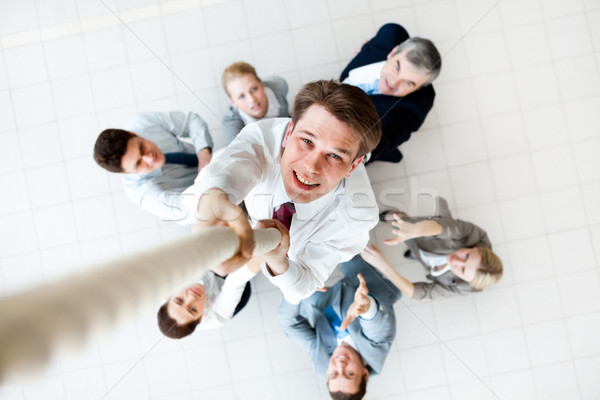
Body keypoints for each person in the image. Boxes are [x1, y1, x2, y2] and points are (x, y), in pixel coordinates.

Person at [184, 80, 382, 304]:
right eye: (307, 141)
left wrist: (279, 261)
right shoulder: (264, 137)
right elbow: (226, 171)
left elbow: (304, 286)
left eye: (335, 156)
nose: (311, 166)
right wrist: (213, 210)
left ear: (353, 166)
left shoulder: (357, 218)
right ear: (289, 133)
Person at [277, 256, 400, 399]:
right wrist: (365, 308)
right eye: (349, 373)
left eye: (334, 374)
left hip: (324, 302)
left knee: (297, 284)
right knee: (349, 250)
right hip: (362, 287)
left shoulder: (322, 365)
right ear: (365, 374)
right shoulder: (376, 352)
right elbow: (377, 326)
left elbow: (289, 325)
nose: (340, 365)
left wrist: (295, 294)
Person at [361, 197, 503, 299]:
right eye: (466, 256)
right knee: (407, 226)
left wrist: (384, 266)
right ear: (475, 248)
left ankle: (418, 254)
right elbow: (444, 228)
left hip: (429, 259)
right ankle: (403, 218)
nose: (456, 260)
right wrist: (415, 230)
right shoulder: (476, 236)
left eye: (463, 270)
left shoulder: (464, 287)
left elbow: (421, 292)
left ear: (468, 281)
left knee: (419, 253)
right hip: (431, 233)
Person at [340, 23, 441, 163]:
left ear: (418, 89)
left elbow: (386, 135)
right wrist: (367, 48)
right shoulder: (390, 34)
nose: (394, 82)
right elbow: (394, 31)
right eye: (397, 68)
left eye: (408, 83)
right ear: (392, 53)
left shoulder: (414, 108)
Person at [93, 111, 213, 222]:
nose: (150, 159)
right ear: (126, 173)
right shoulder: (140, 192)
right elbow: (183, 210)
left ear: (134, 134)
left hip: (213, 162)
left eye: (141, 148)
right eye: (138, 163)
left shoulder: (142, 123)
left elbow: (190, 121)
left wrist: (203, 154)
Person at [157, 257, 261, 338]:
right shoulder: (215, 317)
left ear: (169, 297)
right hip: (225, 287)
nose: (192, 298)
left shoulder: (166, 285)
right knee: (241, 267)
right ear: (200, 318)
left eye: (179, 300)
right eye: (193, 309)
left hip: (203, 271)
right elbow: (234, 282)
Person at [221, 61, 290, 144]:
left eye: (254, 89)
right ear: (232, 102)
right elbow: (239, 152)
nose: (252, 100)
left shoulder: (279, 87)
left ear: (262, 84)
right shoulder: (231, 122)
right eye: (241, 96)